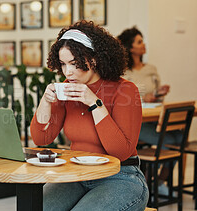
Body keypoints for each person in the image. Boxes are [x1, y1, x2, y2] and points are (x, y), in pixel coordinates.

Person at [30, 20, 148, 211]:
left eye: (74, 64)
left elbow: (121, 152)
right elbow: (41, 138)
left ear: (94, 59)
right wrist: (46, 101)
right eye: (63, 64)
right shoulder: (67, 88)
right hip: (76, 175)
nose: (68, 72)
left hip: (121, 177)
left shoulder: (125, 90)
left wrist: (94, 103)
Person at [117, 27, 181, 195]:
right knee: (168, 140)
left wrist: (159, 94)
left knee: (180, 137)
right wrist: (143, 98)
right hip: (134, 122)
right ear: (130, 47)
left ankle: (159, 182)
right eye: (139, 41)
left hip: (152, 118)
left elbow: (157, 96)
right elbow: (121, 98)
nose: (143, 44)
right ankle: (147, 182)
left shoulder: (151, 69)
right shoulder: (122, 72)